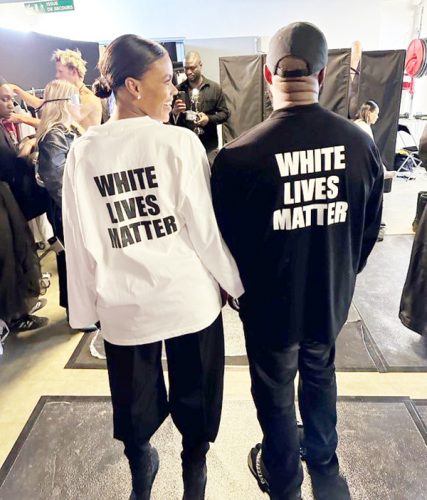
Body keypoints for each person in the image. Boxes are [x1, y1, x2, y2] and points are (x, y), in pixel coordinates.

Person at [62, 34, 243, 500]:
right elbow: (205, 231)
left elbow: (78, 241)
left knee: (133, 404)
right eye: (165, 80)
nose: (175, 89)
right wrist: (236, 286)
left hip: (124, 308)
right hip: (188, 301)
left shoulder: (84, 151)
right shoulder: (179, 144)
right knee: (197, 397)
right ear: (132, 86)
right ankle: (194, 476)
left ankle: (141, 471)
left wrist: (84, 313)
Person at [211, 22, 383, 499]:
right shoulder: (360, 144)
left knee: (274, 395)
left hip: (269, 309)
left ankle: (284, 479)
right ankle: (324, 462)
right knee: (320, 374)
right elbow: (368, 230)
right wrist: (342, 272)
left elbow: (222, 244)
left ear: (268, 74)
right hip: (328, 298)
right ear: (324, 75)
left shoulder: (237, 156)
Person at [35, 79, 84, 318]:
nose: (79, 104)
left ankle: (79, 308)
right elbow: (58, 182)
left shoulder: (67, 131)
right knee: (70, 261)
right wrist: (77, 211)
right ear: (64, 103)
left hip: (71, 206)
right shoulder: (54, 136)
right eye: (74, 99)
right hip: (65, 209)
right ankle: (75, 312)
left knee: (76, 261)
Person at [9, 49, 102, 130]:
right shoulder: (71, 96)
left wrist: (20, 118)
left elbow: (58, 125)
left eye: (60, 71)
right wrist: (16, 89)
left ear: (73, 72)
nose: (57, 75)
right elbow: (40, 104)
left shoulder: (89, 99)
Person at [171, 51, 230, 163]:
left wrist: (209, 119)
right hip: (185, 147)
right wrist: (174, 113)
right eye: (186, 68)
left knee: (211, 178)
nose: (188, 72)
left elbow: (225, 114)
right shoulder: (177, 90)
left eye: (192, 68)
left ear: (201, 66)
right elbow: (166, 120)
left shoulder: (215, 88)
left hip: (209, 146)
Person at [354, 100, 395, 241]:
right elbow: (373, 154)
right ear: (369, 113)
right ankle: (374, 230)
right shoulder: (364, 128)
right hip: (362, 172)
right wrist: (384, 172)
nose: (378, 117)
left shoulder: (358, 125)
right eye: (376, 114)